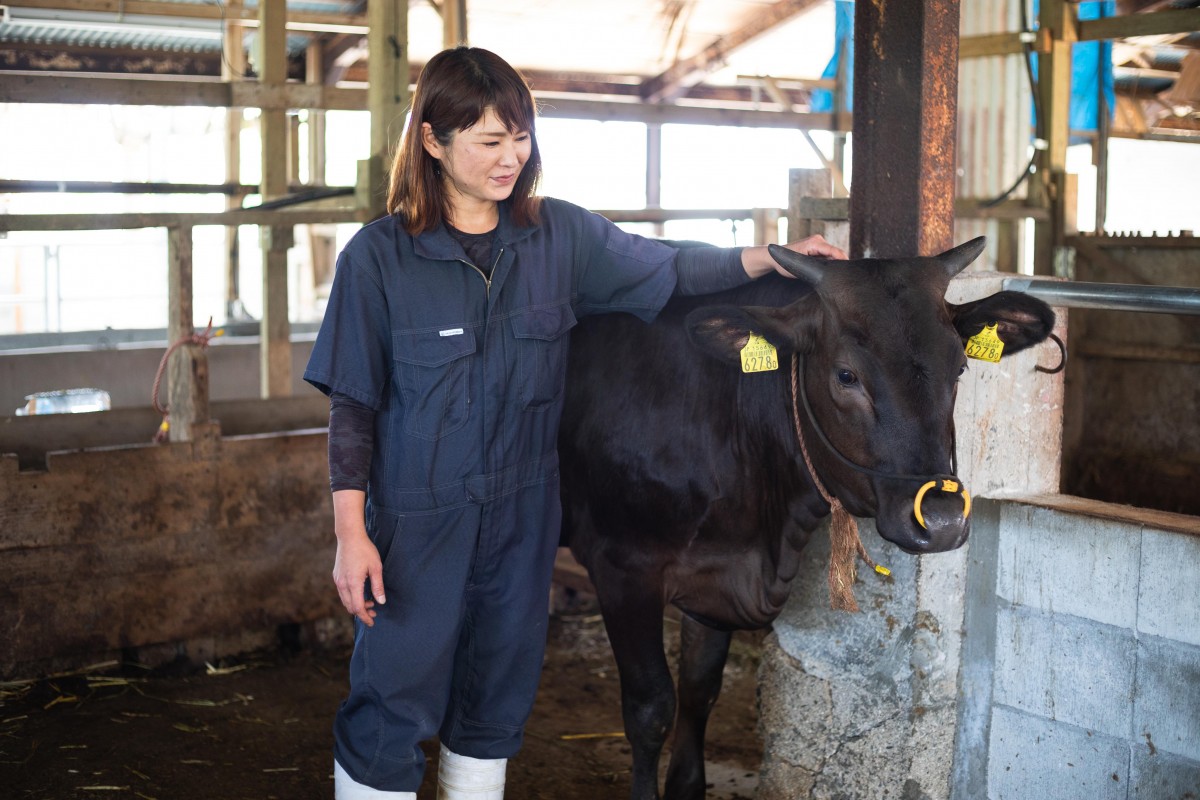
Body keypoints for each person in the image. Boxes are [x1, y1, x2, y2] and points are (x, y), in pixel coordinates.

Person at [303, 46, 845, 800]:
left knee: (496, 699)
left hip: (525, 515)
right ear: (432, 141)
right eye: (489, 141)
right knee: (394, 698)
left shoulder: (560, 237)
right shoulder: (378, 261)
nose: (510, 158)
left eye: (520, 137)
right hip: (420, 520)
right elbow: (353, 406)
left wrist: (771, 259)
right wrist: (351, 533)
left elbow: (667, 266)